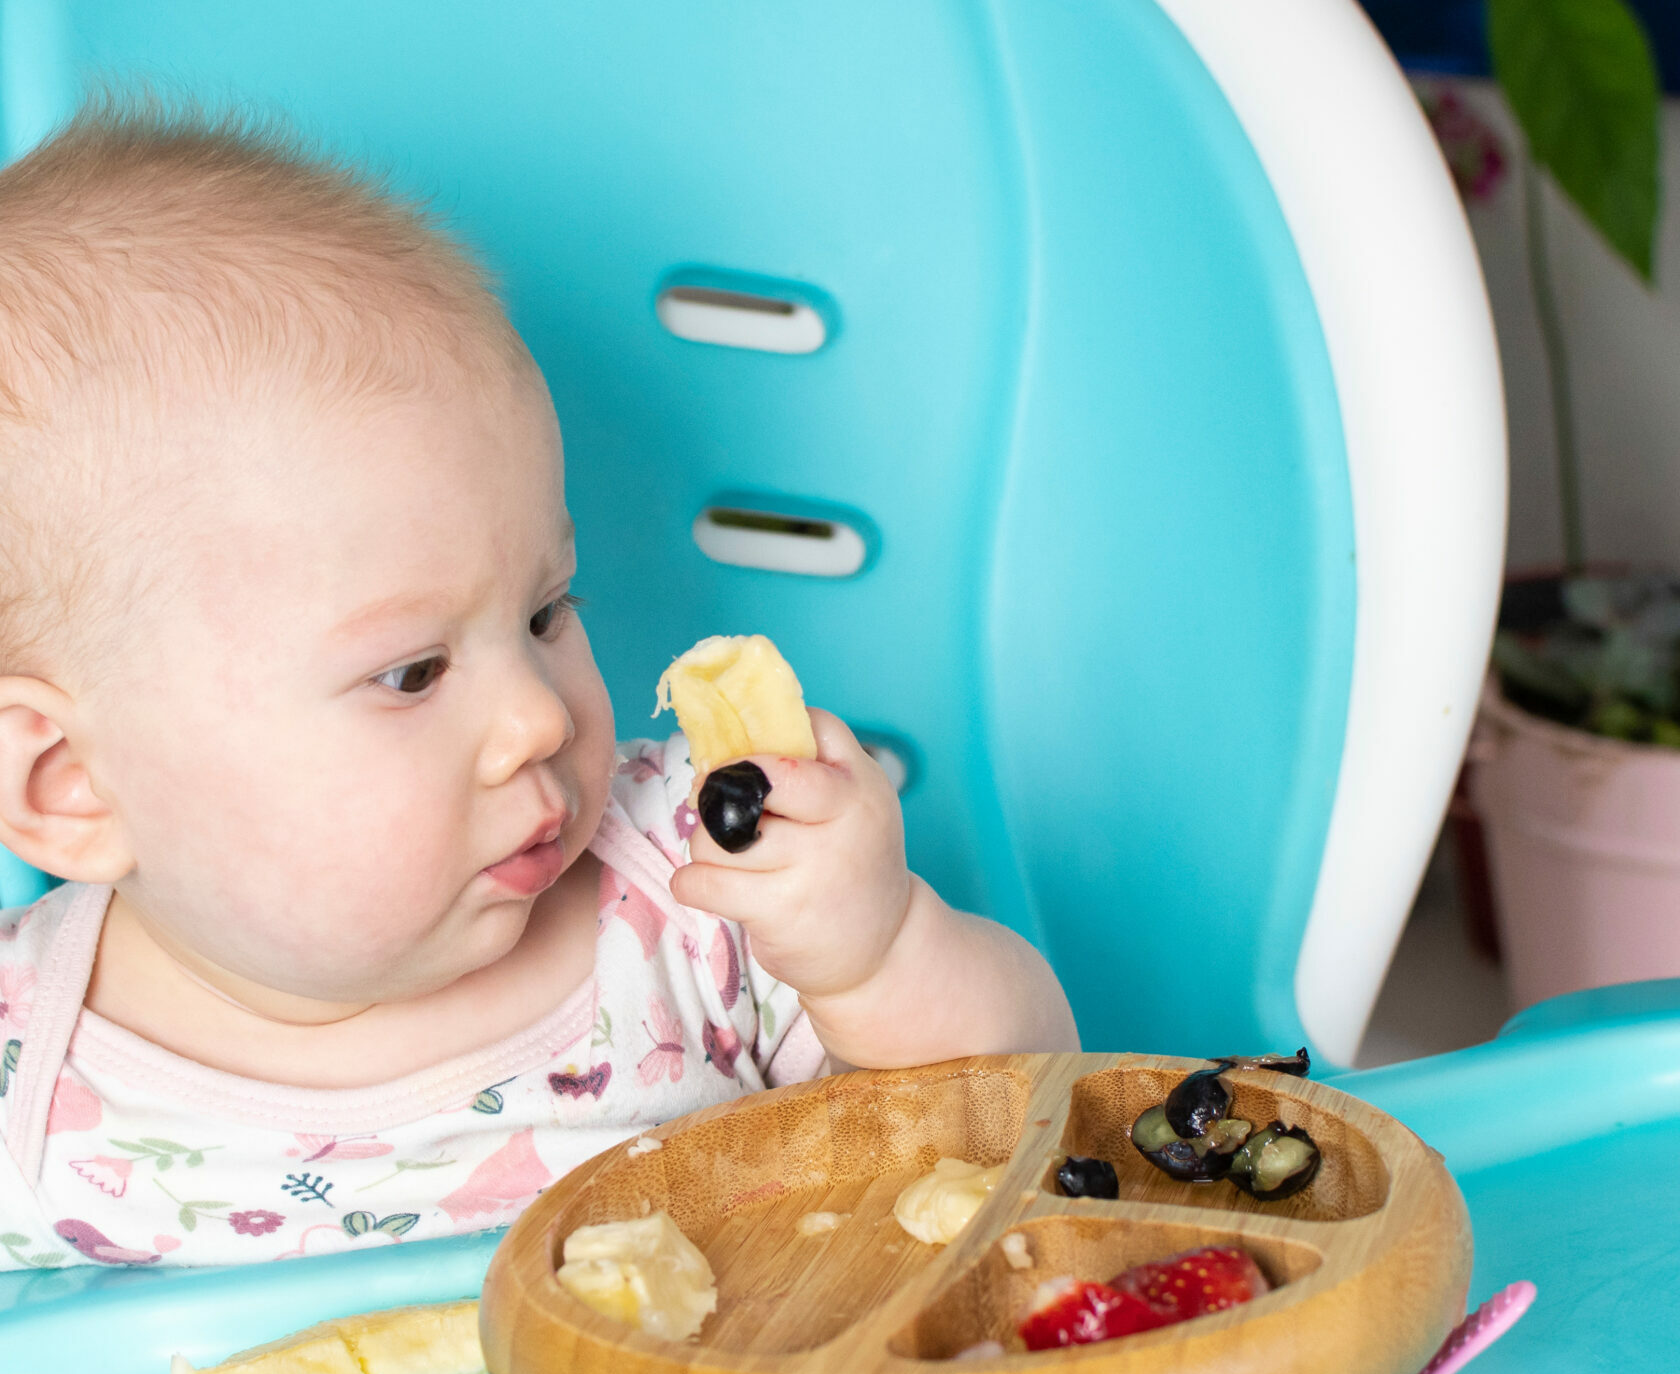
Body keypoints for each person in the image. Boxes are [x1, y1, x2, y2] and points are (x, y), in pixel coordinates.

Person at [0, 102, 1076, 1270]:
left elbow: (1013, 1112)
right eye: (412, 673)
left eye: (545, 611)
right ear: (72, 787)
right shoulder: (25, 1073)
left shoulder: (699, 891)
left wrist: (879, 952)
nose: (542, 716)